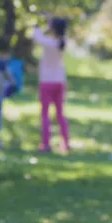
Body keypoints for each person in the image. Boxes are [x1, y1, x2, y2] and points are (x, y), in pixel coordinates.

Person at [33, 14, 70, 153]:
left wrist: (38, 23)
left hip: (47, 81)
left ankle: (46, 143)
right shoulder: (62, 42)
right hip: (60, 81)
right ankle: (66, 142)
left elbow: (36, 35)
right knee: (60, 114)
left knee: (45, 114)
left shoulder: (49, 43)